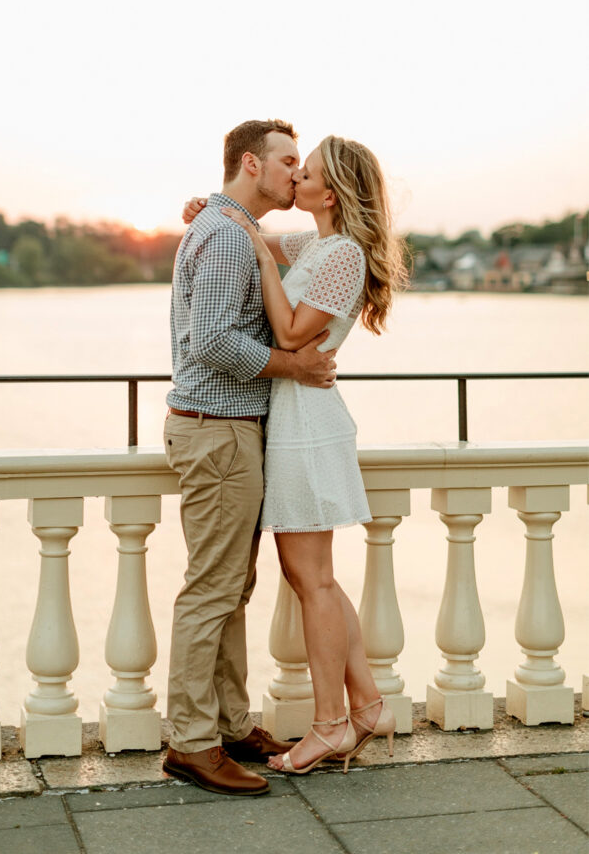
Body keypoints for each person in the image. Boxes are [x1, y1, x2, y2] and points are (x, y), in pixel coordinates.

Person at [183, 134, 407, 775]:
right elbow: (251, 231)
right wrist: (214, 210)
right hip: (293, 421)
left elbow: (287, 332)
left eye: (303, 172)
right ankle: (365, 706)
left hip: (308, 425)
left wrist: (253, 245)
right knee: (315, 579)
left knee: (313, 581)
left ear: (328, 192)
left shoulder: (341, 257)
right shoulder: (319, 243)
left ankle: (331, 725)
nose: (295, 178)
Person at [162, 119, 338, 797]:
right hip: (216, 431)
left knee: (231, 585)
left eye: (302, 165)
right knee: (212, 588)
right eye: (287, 161)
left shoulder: (232, 229)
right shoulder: (229, 237)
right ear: (249, 164)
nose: (296, 174)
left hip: (229, 430)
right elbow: (209, 341)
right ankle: (191, 742)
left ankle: (230, 725)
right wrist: (292, 365)